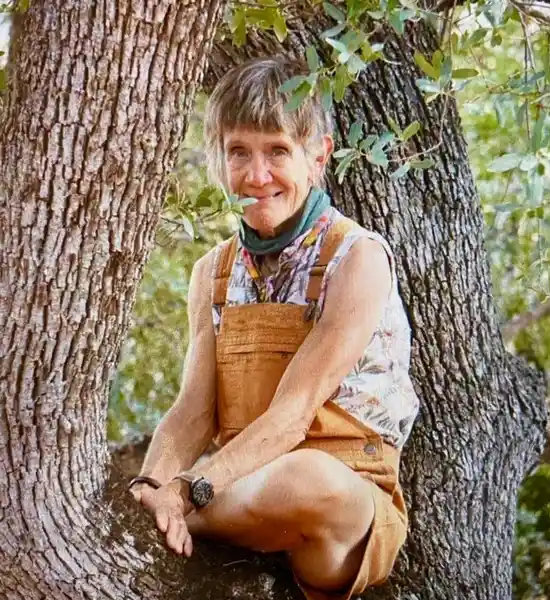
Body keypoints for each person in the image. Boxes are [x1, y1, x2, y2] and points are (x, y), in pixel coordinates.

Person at [129, 56, 420, 600]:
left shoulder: (357, 258)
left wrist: (186, 490)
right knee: (153, 485)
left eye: (277, 151)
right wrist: (151, 481)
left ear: (318, 157)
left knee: (309, 477)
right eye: (239, 152)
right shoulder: (212, 272)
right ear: (219, 159)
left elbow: (293, 416)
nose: (256, 175)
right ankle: (159, 511)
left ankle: (176, 518)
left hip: (335, 506)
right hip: (235, 489)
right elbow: (193, 412)